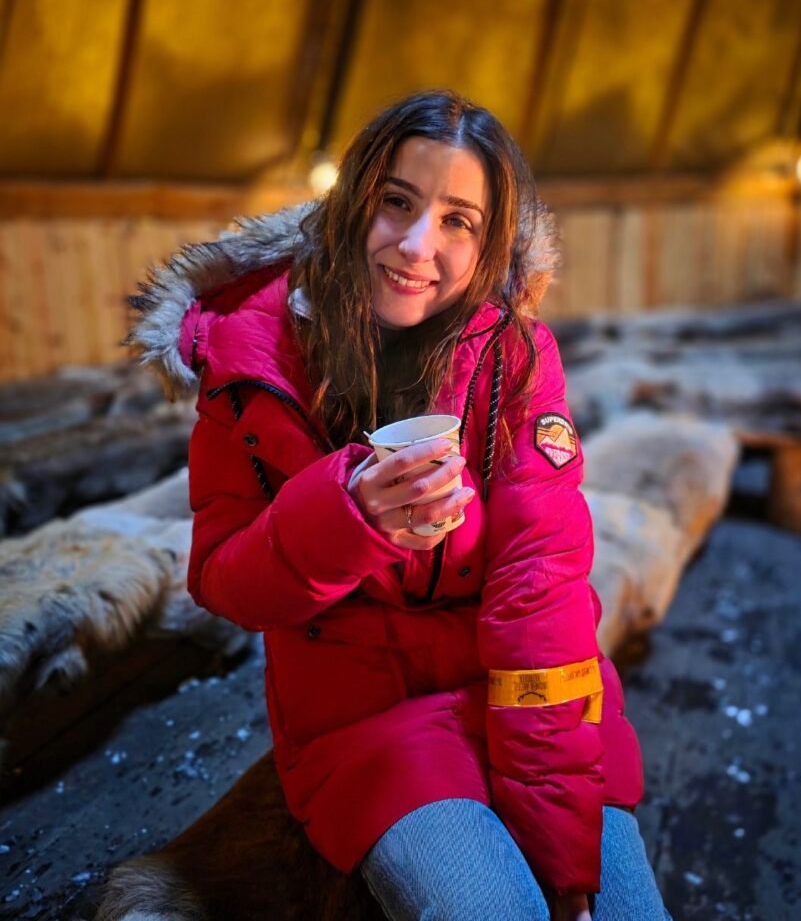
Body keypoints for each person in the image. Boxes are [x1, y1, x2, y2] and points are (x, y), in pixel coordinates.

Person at [128, 90, 672, 921]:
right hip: (367, 727)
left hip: (525, 699)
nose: (419, 246)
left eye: (460, 220)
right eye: (397, 203)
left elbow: (543, 596)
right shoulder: (252, 363)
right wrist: (345, 520)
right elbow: (223, 578)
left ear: (488, 245)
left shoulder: (516, 358)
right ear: (356, 204)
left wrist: (565, 862)